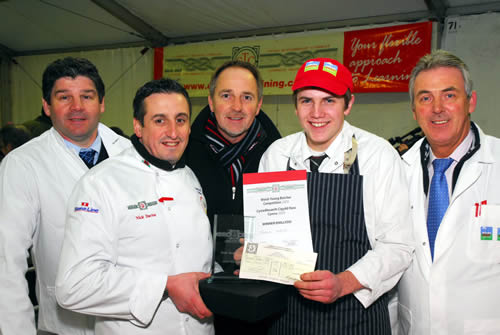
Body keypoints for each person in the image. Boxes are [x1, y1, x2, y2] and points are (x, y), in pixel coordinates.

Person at [258, 58, 413, 334]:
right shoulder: (277, 155)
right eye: (307, 101)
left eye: (329, 100)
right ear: (295, 105)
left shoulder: (378, 156)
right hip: (287, 317)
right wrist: (255, 251)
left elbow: (398, 246)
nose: (317, 112)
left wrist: (344, 283)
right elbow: (270, 236)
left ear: (348, 103)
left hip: (356, 316)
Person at [55, 78, 214, 335]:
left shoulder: (190, 177)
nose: (173, 132)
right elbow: (73, 286)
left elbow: (195, 260)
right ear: (138, 126)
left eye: (181, 120)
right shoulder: (101, 183)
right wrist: (164, 286)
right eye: (160, 120)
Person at [0, 57, 130, 335]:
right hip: (67, 324)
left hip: (130, 319)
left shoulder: (130, 153)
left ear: (102, 103)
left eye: (87, 96)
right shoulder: (23, 164)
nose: (77, 107)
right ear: (47, 106)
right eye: (64, 97)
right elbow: (6, 262)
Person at [396, 50, 500, 334]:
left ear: (471, 102)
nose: (437, 108)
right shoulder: (396, 171)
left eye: (449, 95)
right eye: (425, 98)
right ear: (414, 110)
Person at [185, 60, 281, 228]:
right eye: (226, 96)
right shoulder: (183, 155)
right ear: (211, 102)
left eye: (247, 97)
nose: (237, 107)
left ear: (258, 105)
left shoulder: (279, 158)